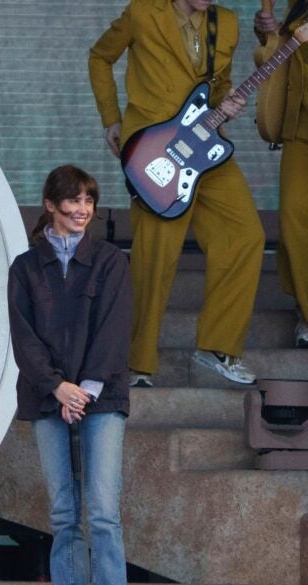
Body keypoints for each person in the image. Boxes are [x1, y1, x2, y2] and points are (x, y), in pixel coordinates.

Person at [89, 0, 265, 386]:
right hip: (154, 150)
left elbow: (215, 89)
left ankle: (218, 346)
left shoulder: (228, 24)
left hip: (204, 147)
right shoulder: (142, 13)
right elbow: (99, 57)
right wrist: (111, 120)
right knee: (155, 255)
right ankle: (134, 365)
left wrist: (228, 104)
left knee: (245, 236)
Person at [7, 165, 132, 585]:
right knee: (63, 511)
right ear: (50, 206)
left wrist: (85, 390)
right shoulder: (25, 267)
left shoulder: (110, 261)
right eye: (73, 201)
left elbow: (115, 331)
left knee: (102, 508)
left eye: (88, 201)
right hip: (47, 396)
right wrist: (58, 387)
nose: (82, 210)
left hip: (103, 397)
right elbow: (24, 339)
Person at [254, 0, 308, 348]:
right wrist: (268, 32)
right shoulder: (293, 5)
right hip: (300, 128)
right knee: (292, 217)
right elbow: (270, 61)